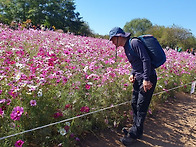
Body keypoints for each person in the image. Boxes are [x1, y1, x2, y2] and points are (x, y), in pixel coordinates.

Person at [109, 27, 157, 146]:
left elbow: (145, 60)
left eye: (113, 39)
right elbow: (136, 63)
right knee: (134, 103)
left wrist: (146, 79)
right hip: (138, 79)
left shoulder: (134, 43)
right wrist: (132, 74)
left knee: (141, 106)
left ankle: (134, 134)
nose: (112, 42)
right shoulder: (126, 47)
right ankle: (136, 129)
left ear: (119, 36)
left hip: (147, 79)